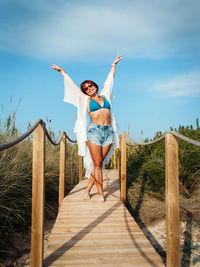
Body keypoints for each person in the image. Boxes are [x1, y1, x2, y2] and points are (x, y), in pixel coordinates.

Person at [51, 54, 122, 202]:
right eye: (86, 88)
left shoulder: (105, 95)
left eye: (90, 85)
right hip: (94, 133)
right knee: (97, 164)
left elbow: (109, 81)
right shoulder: (85, 100)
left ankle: (88, 190)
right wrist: (62, 72)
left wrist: (113, 65)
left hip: (108, 132)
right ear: (84, 92)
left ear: (95, 85)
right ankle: (101, 194)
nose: (89, 88)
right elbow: (71, 86)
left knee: (99, 164)